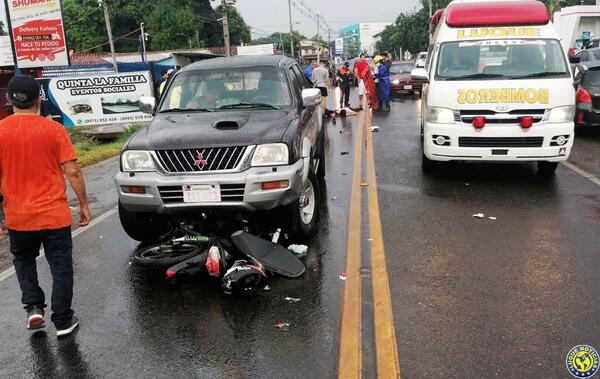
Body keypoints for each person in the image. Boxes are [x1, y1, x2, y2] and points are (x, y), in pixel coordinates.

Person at [0, 75, 91, 337]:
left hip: (18, 216)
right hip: (54, 215)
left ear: (9, 99)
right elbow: (72, 170)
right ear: (38, 99)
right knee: (60, 266)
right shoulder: (54, 130)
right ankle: (63, 320)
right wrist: (83, 204)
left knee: (23, 260)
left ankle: (33, 308)